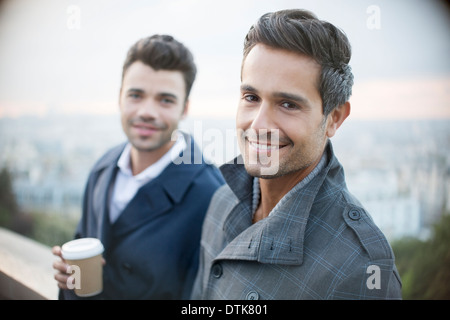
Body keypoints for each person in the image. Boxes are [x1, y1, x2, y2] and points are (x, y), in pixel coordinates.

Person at [191, 9, 402, 300]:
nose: (259, 125)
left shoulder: (361, 268)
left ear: (334, 118)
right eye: (251, 98)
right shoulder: (221, 200)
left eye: (288, 104)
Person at [52, 34, 224, 299]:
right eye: (136, 95)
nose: (147, 111)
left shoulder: (212, 195)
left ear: (185, 108)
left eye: (165, 100)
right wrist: (69, 274)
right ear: (120, 97)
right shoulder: (102, 169)